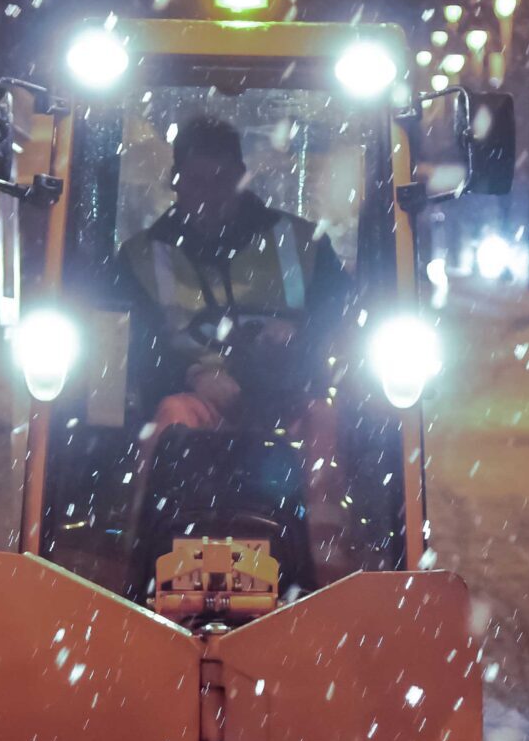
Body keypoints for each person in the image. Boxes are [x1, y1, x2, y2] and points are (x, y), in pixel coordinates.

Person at [115, 115, 354, 574]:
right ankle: (148, 565)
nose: (209, 195)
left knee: (324, 417)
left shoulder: (301, 244)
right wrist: (193, 375)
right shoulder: (141, 258)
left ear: (240, 179)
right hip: (197, 404)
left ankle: (329, 569)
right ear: (176, 182)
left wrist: (297, 345)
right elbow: (126, 351)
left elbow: (345, 315)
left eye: (221, 180)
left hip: (287, 400)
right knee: (168, 419)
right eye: (197, 181)